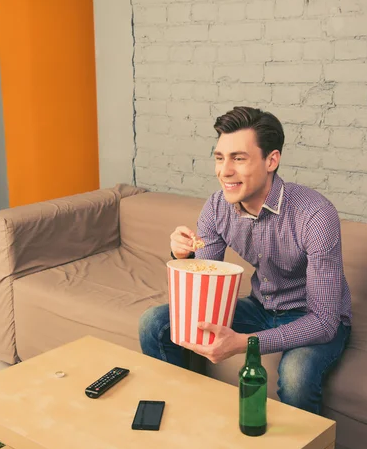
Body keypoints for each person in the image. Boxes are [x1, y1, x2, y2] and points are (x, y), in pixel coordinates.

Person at [139, 106, 352, 417]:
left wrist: (243, 343)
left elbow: (324, 321)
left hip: (312, 316)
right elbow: (204, 284)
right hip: (260, 306)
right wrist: (182, 256)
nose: (225, 171)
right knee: (154, 322)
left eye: (238, 158)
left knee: (296, 377)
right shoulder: (217, 206)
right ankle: (186, 413)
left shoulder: (315, 215)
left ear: (271, 160)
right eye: (220, 158)